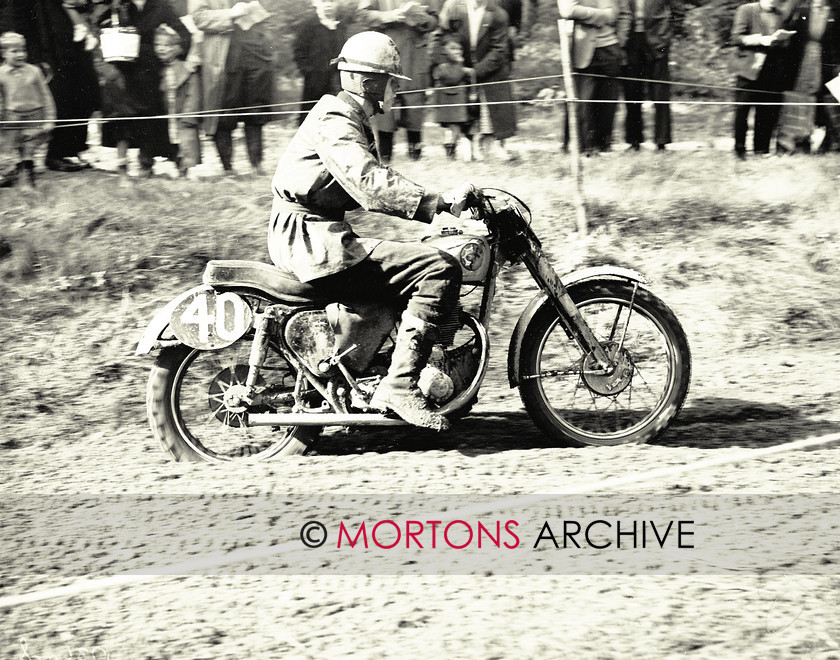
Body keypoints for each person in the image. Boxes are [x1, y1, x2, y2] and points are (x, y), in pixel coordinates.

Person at [267, 31, 478, 431]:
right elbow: (369, 183)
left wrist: (434, 209)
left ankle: (372, 377)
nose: (396, 90)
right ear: (370, 83)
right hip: (311, 239)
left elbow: (377, 179)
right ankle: (399, 386)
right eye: (392, 81)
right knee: (438, 267)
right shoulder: (335, 119)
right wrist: (439, 203)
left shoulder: (347, 118)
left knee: (404, 267)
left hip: (318, 234)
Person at [96, 0, 192, 182]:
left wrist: (174, 52)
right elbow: (99, 27)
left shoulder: (161, 7)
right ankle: (124, 166)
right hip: (121, 70)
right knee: (123, 118)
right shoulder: (121, 6)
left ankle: (147, 164)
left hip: (150, 70)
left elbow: (185, 35)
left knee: (151, 118)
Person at [1, 0, 101, 173]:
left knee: (82, 90)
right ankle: (53, 154)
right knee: (58, 95)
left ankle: (71, 149)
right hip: (46, 46)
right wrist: (33, 56)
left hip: (71, 39)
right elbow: (14, 17)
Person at [190, 0, 274, 176]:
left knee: (256, 111)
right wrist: (231, 14)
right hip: (223, 56)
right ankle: (228, 169)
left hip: (255, 52)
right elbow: (198, 18)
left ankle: (256, 166)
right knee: (223, 114)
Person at [433, 0, 519, 160]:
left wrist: (476, 71)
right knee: (460, 109)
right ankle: (460, 144)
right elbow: (440, 38)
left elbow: (499, 50)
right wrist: (446, 64)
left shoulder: (499, 15)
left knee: (492, 108)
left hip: (490, 70)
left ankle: (493, 146)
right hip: (458, 68)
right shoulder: (454, 9)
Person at [357, 0, 440, 162]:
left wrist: (420, 18)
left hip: (415, 59)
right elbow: (362, 15)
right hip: (385, 55)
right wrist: (389, 16)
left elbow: (435, 21)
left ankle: (416, 157)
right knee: (384, 109)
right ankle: (385, 159)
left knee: (415, 108)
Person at [729, 0, 799, 157]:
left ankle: (762, 150)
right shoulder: (746, 10)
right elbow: (735, 38)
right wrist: (760, 40)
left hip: (772, 70)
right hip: (748, 69)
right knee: (742, 112)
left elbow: (783, 45)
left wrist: (782, 40)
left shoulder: (780, 14)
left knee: (766, 111)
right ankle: (739, 149)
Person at [559, 0, 630, 155]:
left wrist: (620, 41)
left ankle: (604, 146)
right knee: (583, 101)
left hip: (611, 48)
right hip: (582, 48)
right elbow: (567, 10)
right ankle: (585, 148)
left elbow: (624, 13)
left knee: (608, 102)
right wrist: (602, 15)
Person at [621, 0, 684, 151]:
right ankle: (634, 141)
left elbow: (679, 13)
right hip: (631, 42)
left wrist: (667, 35)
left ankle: (661, 141)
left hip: (658, 41)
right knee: (632, 91)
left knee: (660, 92)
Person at [0, 31, 56, 188]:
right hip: (12, 118)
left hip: (34, 116)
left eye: (23, 50)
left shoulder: (34, 71)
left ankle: (28, 177)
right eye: (14, 51)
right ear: (3, 53)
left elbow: (46, 96)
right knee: (14, 146)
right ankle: (16, 173)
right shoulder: (1, 74)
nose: (20, 54)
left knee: (29, 146)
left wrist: (49, 119)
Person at [154, 24, 201, 176]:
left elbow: (193, 93)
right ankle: (175, 165)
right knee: (170, 142)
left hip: (182, 115)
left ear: (177, 47)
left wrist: (189, 115)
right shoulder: (157, 70)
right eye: (158, 45)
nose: (162, 49)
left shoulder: (186, 68)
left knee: (185, 143)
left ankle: (184, 170)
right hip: (167, 116)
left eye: (167, 45)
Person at [292, 0, 348, 126]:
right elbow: (299, 52)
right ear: (315, 2)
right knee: (314, 125)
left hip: (337, 84)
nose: (328, 5)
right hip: (315, 86)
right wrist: (309, 73)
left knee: (338, 124)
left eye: (332, 1)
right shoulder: (308, 26)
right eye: (323, 1)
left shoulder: (341, 26)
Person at [432, 34, 475, 160]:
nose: (457, 52)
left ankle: (451, 149)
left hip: (458, 100)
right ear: (445, 50)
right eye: (453, 49)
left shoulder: (460, 66)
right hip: (446, 100)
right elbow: (451, 77)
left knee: (456, 128)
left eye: (459, 49)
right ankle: (450, 150)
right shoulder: (442, 67)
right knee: (453, 127)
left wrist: (473, 92)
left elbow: (471, 73)